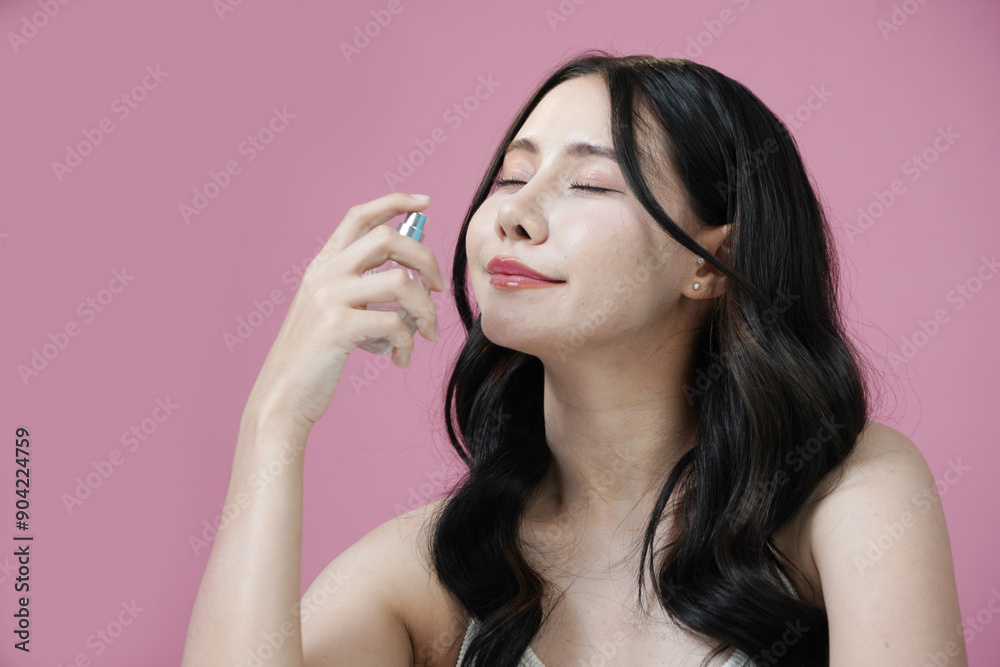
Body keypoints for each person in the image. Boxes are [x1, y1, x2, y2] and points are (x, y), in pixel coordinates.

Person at [181, 52, 967, 667]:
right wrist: (273, 420)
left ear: (712, 264)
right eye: (512, 175)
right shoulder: (436, 570)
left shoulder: (847, 491)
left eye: (590, 183)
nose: (514, 213)